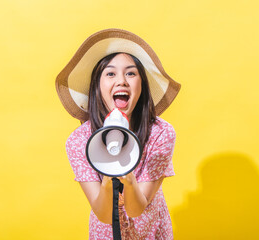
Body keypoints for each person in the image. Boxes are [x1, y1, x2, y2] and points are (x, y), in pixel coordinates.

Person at [55, 29, 181, 240]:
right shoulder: (79, 141)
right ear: (97, 85)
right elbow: (104, 214)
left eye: (131, 73)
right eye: (111, 73)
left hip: (151, 233)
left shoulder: (161, 133)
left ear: (142, 85)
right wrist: (107, 174)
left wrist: (128, 178)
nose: (121, 81)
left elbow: (136, 209)